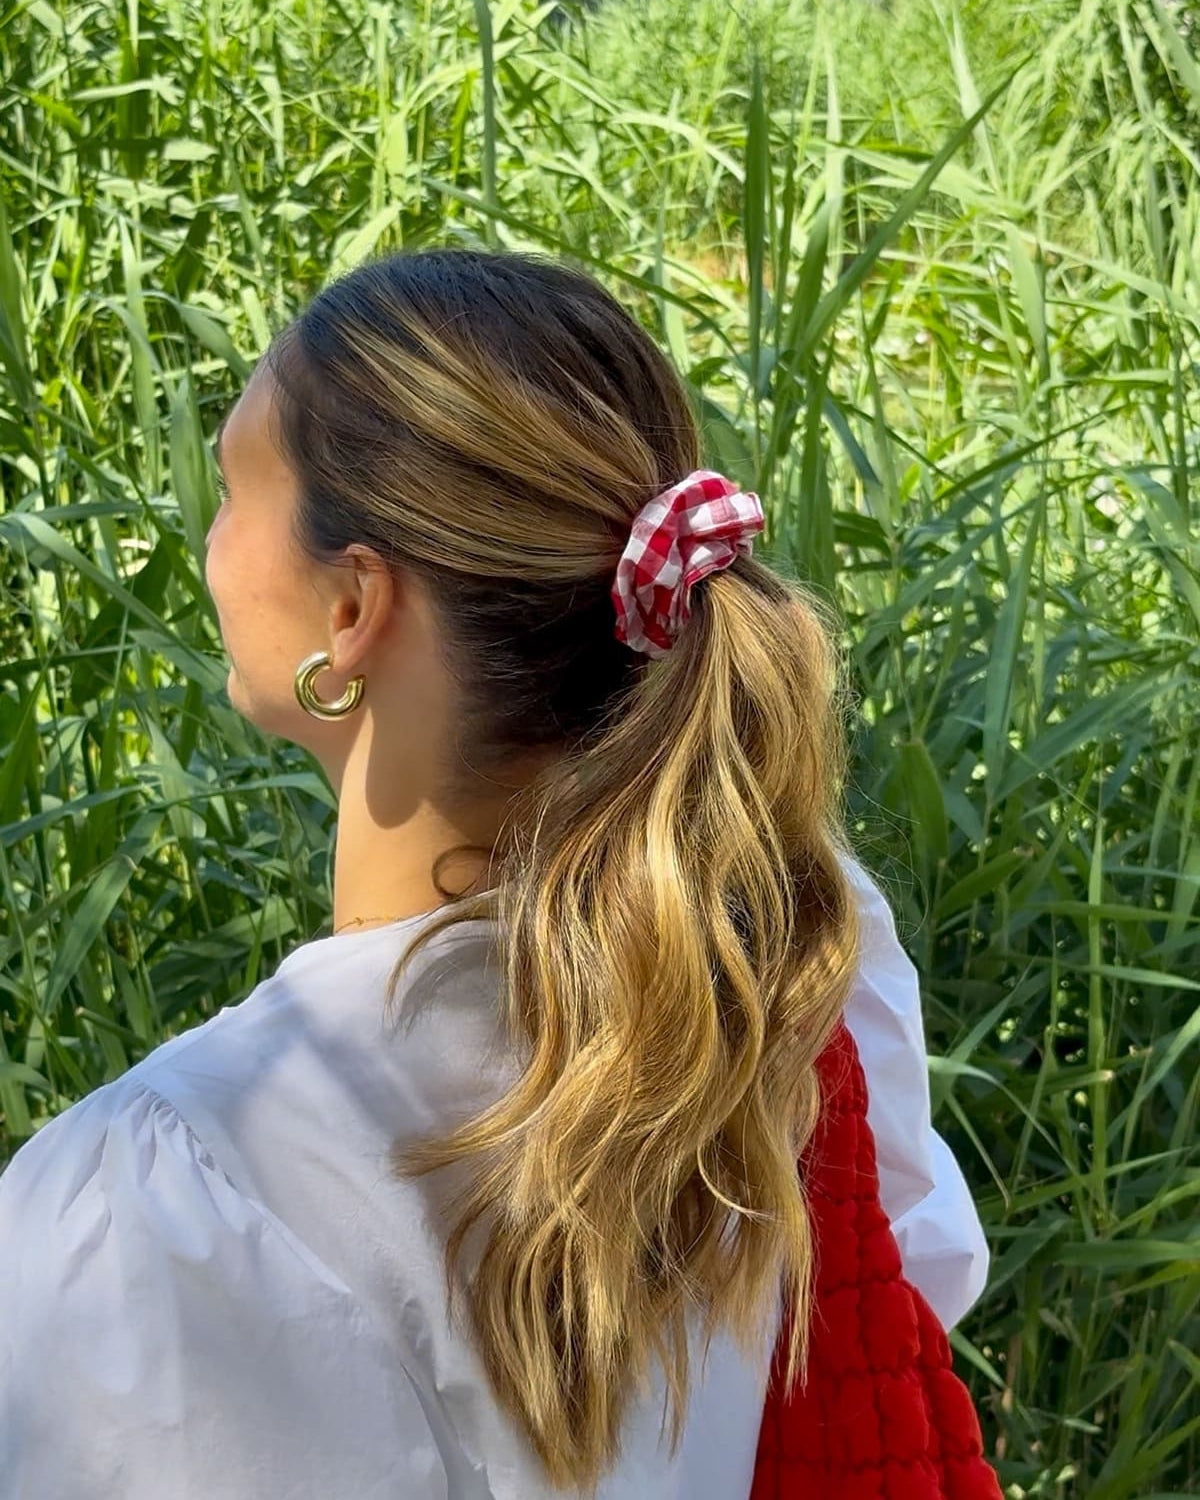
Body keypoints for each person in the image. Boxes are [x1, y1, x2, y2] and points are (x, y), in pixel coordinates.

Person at [0, 247, 997, 1498]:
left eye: (233, 487)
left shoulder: (186, 1187)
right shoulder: (791, 945)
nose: (208, 538)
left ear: (353, 609)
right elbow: (908, 1304)